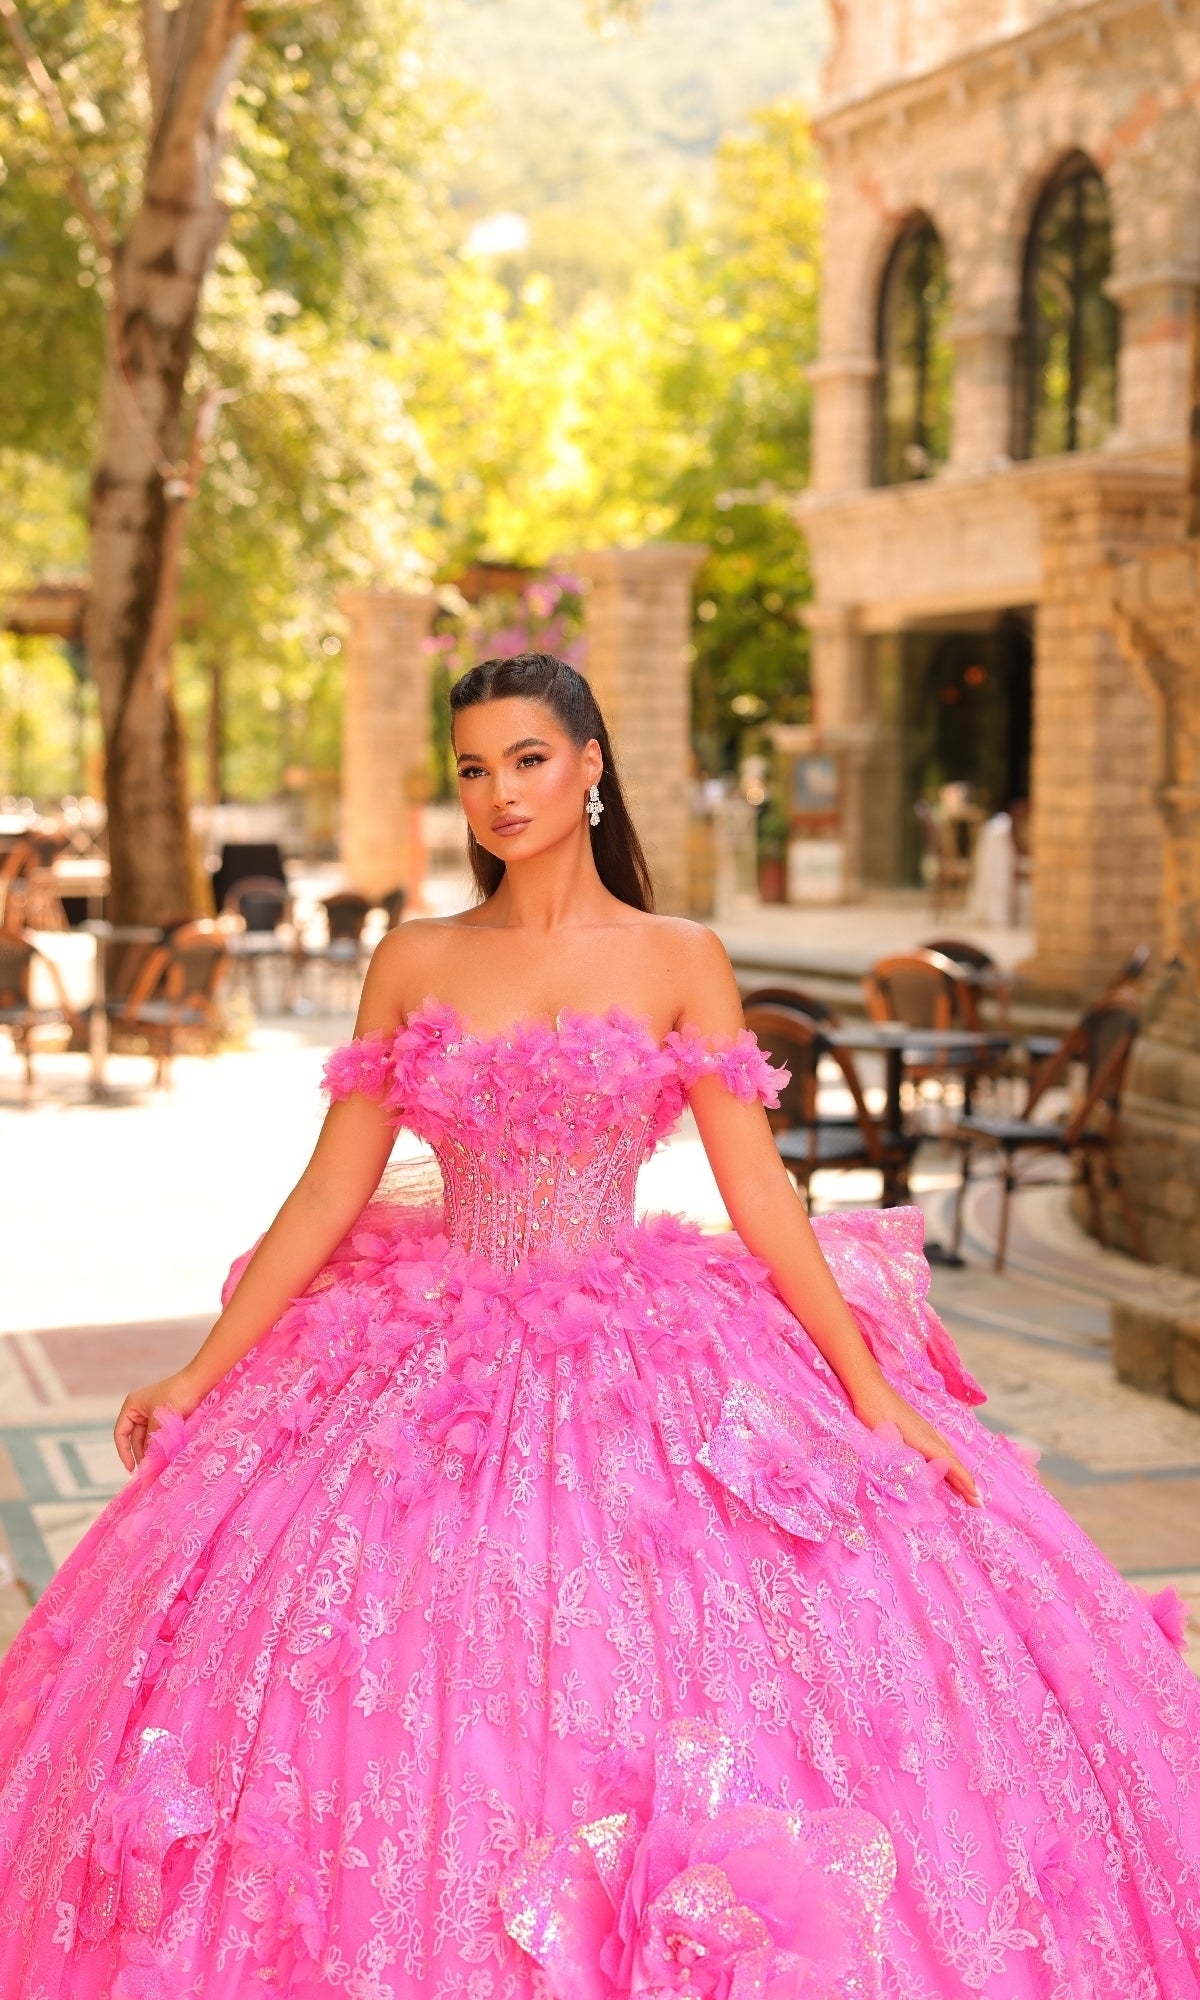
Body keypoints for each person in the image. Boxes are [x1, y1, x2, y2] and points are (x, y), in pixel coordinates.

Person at [0, 653, 1196, 2000]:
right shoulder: (418, 957)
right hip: (427, 1364)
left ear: (588, 768)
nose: (498, 792)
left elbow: (761, 1196)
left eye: (525, 758)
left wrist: (868, 1388)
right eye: (471, 767)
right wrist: (200, 1369)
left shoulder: (681, 958)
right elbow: (335, 1186)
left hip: (638, 1349)